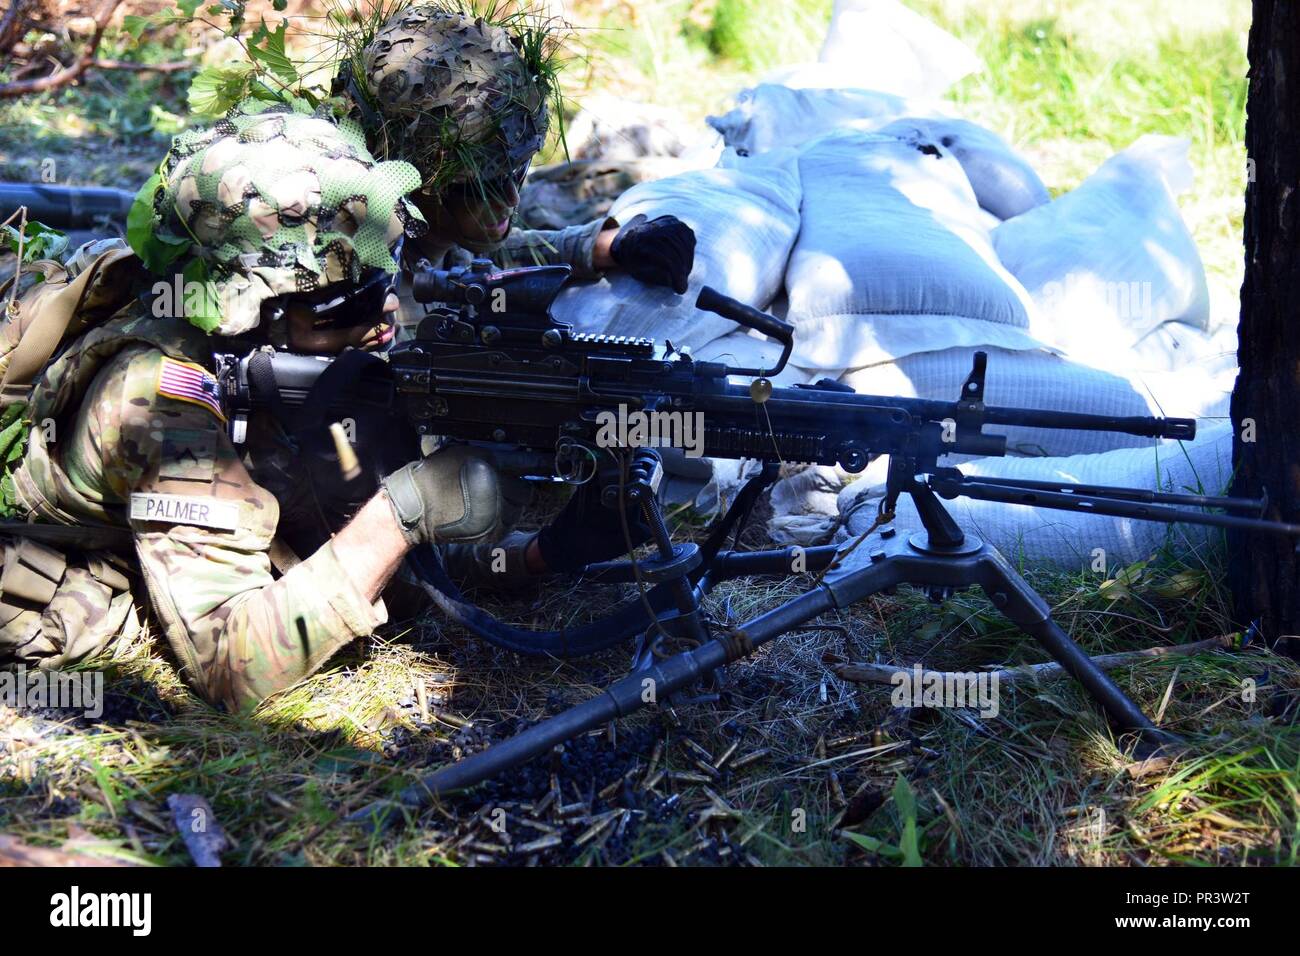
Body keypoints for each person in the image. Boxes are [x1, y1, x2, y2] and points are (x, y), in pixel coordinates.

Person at [0, 100, 510, 711]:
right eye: (343, 308)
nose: (385, 313)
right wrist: (403, 513)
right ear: (248, 311)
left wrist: (534, 557)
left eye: (385, 278)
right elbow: (232, 668)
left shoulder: (267, 329)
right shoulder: (163, 404)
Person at [337, 3, 698, 335]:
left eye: (517, 170)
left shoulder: (434, 239)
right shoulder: (366, 290)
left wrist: (612, 245)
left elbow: (492, 258)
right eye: (484, 184)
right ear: (412, 177)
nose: (511, 197)